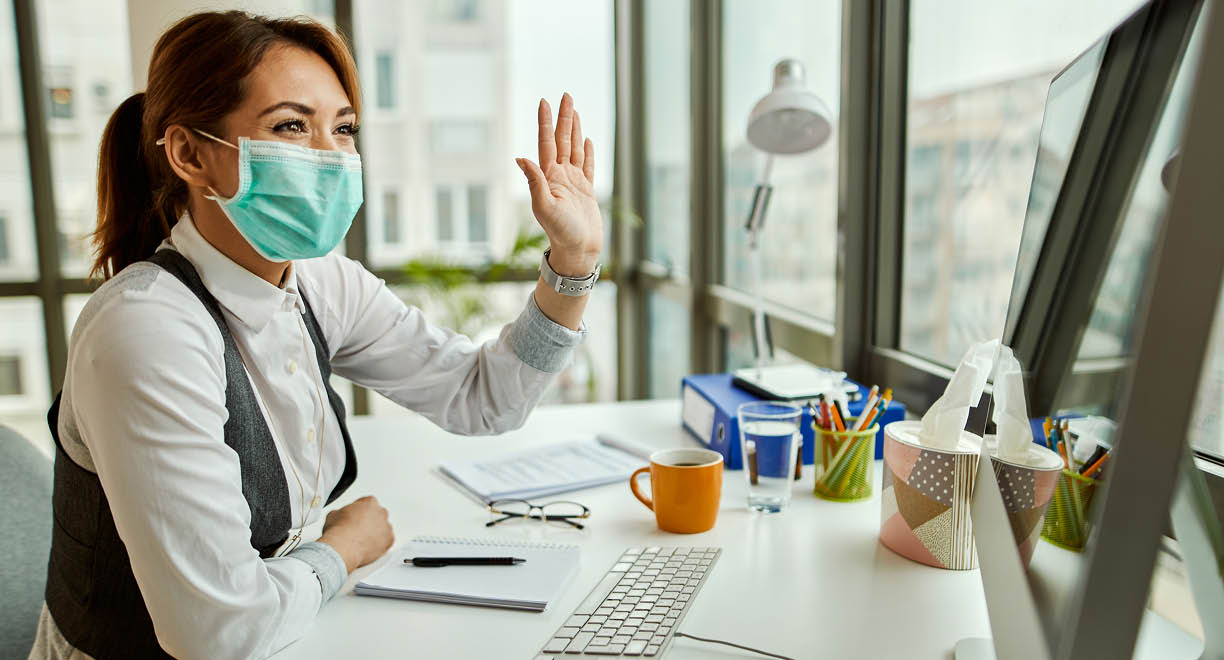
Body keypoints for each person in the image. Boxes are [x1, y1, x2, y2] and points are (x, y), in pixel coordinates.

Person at [30, 10, 602, 660]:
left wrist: (573, 264)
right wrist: (340, 550)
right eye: (291, 126)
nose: (332, 157)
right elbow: (217, 634)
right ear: (191, 154)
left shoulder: (320, 284)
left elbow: (484, 397)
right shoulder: (145, 329)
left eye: (345, 128)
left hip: (292, 635)